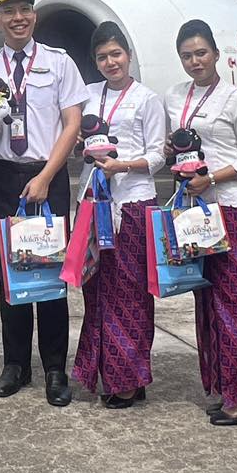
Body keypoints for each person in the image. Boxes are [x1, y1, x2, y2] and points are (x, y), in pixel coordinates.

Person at [0, 0, 85, 406]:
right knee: (10, 273)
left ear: (33, 14)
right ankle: (15, 363)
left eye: (25, 9)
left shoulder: (59, 62)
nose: (18, 18)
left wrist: (47, 176)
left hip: (46, 175)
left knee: (49, 273)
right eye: (9, 12)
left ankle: (54, 367)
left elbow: (72, 123)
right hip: (1, 176)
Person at [162, 19, 237, 426]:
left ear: (216, 54)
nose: (195, 61)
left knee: (232, 302)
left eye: (201, 53)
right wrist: (171, 150)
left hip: (232, 208)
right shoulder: (176, 96)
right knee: (207, 302)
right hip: (195, 211)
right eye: (187, 56)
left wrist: (213, 178)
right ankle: (229, 387)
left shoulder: (236, 100)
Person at [71, 21, 169, 409]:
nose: (110, 62)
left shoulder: (147, 99)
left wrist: (122, 166)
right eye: (102, 57)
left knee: (129, 291)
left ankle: (128, 378)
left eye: (116, 54)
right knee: (94, 288)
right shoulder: (88, 94)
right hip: (93, 201)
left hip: (131, 203)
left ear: (128, 55)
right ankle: (102, 372)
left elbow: (158, 156)